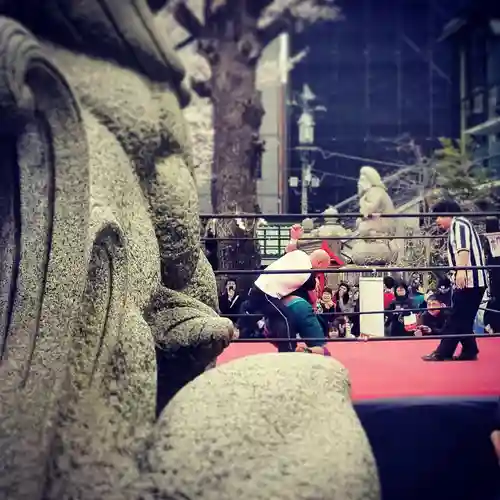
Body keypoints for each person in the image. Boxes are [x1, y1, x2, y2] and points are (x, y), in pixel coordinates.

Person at [422, 200, 487, 361]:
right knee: (462, 318)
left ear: (447, 213)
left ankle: (442, 352)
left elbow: (463, 249)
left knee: (456, 317)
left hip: (470, 281)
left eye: (438, 216)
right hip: (471, 281)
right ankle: (470, 350)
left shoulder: (459, 224)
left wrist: (461, 270)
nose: (437, 221)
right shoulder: (459, 225)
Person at [238, 248, 331, 351]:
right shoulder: (307, 274)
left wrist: (294, 239)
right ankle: (289, 350)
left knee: (282, 317)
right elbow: (311, 287)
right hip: (266, 293)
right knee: (286, 318)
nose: (320, 274)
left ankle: (287, 347)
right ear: (319, 263)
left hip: (264, 289)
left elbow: (289, 250)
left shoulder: (299, 254)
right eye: (322, 270)